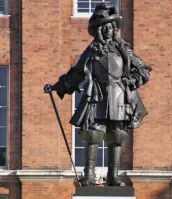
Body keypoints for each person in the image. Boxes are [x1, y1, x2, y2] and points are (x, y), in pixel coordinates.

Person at [44, 3, 151, 186]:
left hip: (118, 95)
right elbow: (77, 73)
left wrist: (129, 81)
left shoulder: (123, 49)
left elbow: (142, 70)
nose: (109, 30)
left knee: (117, 135)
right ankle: (89, 175)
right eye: (105, 27)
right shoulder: (91, 51)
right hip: (97, 95)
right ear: (99, 30)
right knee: (94, 135)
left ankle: (113, 176)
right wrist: (57, 86)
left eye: (111, 26)